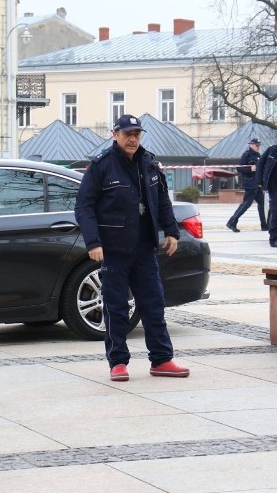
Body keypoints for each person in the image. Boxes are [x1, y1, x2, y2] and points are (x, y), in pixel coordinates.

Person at [75, 114, 190, 381]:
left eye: (137, 133)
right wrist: (93, 242)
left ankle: (161, 359)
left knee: (153, 305)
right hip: (114, 249)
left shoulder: (149, 163)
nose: (133, 139)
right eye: (127, 133)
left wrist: (171, 231)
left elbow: (162, 199)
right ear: (114, 134)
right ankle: (118, 362)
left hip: (144, 247)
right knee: (115, 307)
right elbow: (84, 206)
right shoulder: (101, 165)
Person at [226, 138, 267, 232]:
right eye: (257, 145)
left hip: (257, 184)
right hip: (250, 183)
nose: (258, 147)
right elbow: (239, 168)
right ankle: (232, 222)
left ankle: (264, 225)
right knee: (246, 204)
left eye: (259, 145)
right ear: (251, 145)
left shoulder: (258, 156)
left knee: (262, 204)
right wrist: (250, 169)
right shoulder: (247, 155)